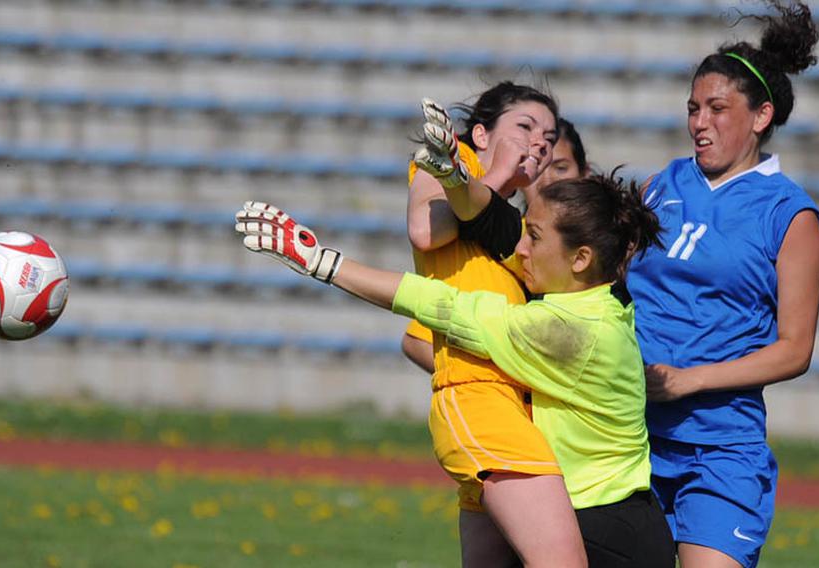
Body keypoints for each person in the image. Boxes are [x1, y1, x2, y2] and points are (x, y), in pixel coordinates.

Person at [234, 168, 669, 567]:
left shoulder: (566, 331)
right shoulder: (601, 304)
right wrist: (458, 180)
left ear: (581, 259)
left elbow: (443, 305)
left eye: (533, 237)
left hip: (606, 533)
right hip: (617, 525)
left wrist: (326, 265)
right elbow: (495, 229)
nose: (520, 249)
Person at [417, 99, 676, 567]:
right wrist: (453, 171)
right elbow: (472, 220)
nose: (547, 176)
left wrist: (331, 268)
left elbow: (451, 287)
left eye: (561, 166)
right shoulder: (534, 251)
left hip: (602, 508)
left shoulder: (588, 291)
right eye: (542, 165)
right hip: (564, 496)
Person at [625, 2, 819, 567]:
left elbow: (795, 350)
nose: (698, 123)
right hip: (626, 438)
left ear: (761, 116)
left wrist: (689, 382)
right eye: (693, 108)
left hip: (719, 449)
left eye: (717, 108)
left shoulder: (790, 215)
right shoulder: (660, 185)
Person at [398, 83, 583, 566]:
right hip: (478, 398)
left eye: (548, 137)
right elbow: (424, 228)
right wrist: (496, 176)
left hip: (524, 408)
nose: (539, 143)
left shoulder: (521, 225)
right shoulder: (449, 162)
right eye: (524, 127)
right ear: (480, 133)